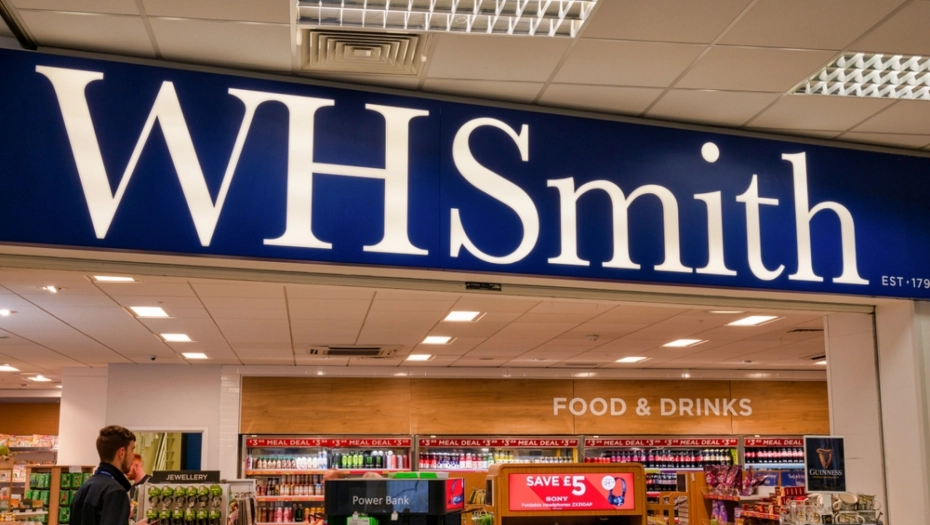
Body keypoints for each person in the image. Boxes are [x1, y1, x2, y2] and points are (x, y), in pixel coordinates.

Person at [71, 425, 139, 525]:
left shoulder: (84, 488)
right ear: (122, 453)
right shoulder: (115, 492)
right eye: (132, 450)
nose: (133, 456)